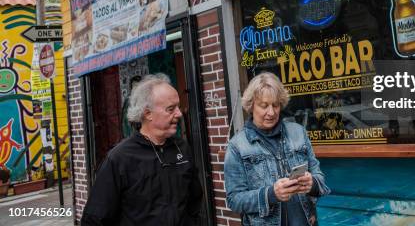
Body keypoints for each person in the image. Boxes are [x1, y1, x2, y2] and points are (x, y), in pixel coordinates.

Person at [81, 73, 203, 225]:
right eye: (170, 109)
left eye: (178, 107)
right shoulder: (120, 158)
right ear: (147, 113)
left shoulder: (182, 148)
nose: (179, 113)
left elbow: (195, 200)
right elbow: (94, 218)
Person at [224, 72, 330, 225]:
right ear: (251, 105)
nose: (271, 112)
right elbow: (234, 200)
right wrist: (270, 194)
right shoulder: (237, 146)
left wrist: (312, 183)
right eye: (264, 105)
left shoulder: (298, 132)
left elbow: (320, 178)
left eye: (275, 105)